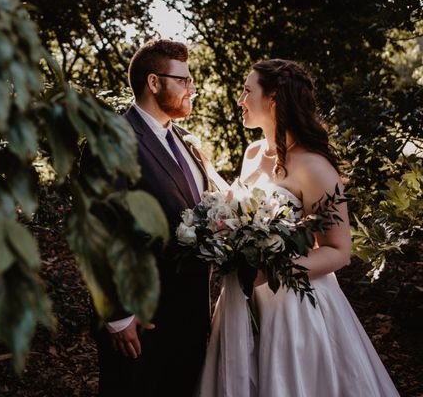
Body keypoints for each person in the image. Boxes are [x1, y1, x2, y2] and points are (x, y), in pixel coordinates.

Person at [197, 59, 399, 396]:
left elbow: (339, 251)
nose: (240, 99)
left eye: (247, 91)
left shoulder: (315, 167)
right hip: (240, 299)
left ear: (273, 98)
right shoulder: (252, 153)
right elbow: (239, 213)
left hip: (293, 307)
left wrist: (275, 269)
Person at [91, 39, 218, 397]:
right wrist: (117, 315)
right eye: (183, 80)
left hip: (189, 315)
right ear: (153, 82)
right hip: (140, 322)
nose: (191, 88)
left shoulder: (183, 141)